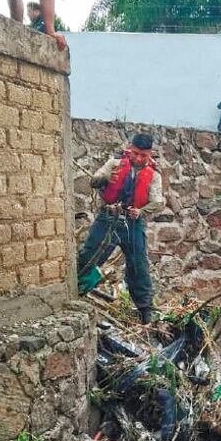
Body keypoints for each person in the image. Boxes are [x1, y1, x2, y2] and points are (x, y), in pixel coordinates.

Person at [77, 133, 163, 325]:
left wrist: (141, 211)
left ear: (150, 154)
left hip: (133, 223)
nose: (138, 158)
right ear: (130, 148)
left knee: (138, 265)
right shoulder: (114, 164)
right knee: (90, 256)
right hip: (108, 218)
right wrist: (107, 177)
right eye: (135, 153)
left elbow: (157, 202)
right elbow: (94, 181)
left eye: (143, 155)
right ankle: (76, 292)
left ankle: (145, 311)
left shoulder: (154, 175)